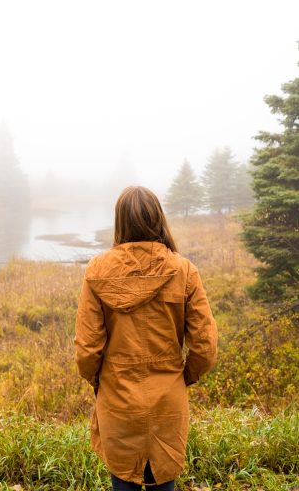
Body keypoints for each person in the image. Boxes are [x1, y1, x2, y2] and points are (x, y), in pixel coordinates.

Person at [74, 186, 218, 490]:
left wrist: (102, 382)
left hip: (117, 400)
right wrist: (181, 378)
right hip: (168, 400)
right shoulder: (184, 270)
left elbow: (87, 351)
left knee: (122, 481)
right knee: (164, 481)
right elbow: (205, 347)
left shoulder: (97, 271)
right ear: (158, 219)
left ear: (119, 222)